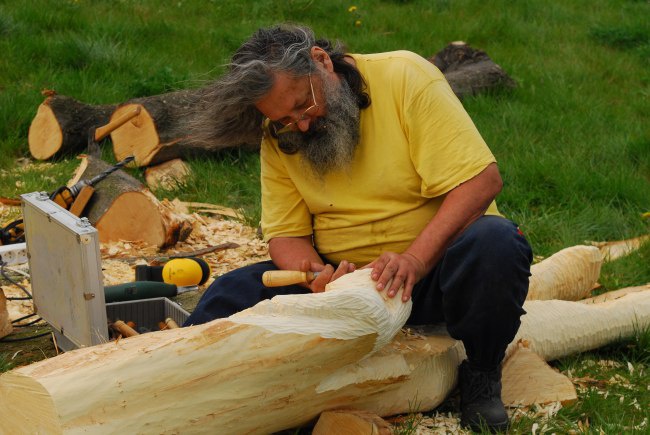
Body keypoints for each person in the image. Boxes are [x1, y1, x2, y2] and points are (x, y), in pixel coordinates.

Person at [185, 24, 532, 433]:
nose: (300, 125)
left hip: (434, 276)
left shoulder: (405, 76)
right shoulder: (281, 132)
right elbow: (286, 234)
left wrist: (416, 260)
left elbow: (480, 182)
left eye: (304, 103)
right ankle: (189, 384)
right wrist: (317, 278)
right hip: (344, 284)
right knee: (230, 293)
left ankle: (482, 375)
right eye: (284, 118)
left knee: (495, 243)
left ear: (320, 60)